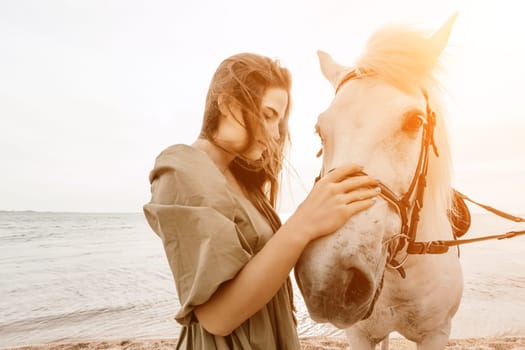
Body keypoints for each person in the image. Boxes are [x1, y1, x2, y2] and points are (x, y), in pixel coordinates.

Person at [143, 52, 379, 349]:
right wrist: (304, 222)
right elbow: (217, 317)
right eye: (268, 115)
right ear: (227, 103)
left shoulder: (240, 180)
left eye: (279, 121)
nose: (275, 134)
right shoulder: (182, 170)